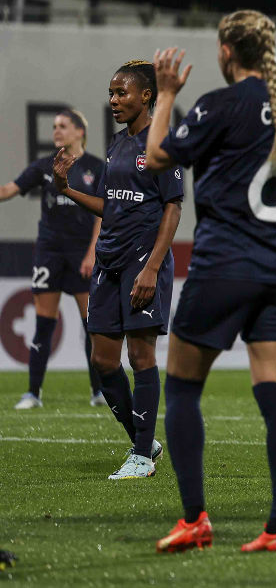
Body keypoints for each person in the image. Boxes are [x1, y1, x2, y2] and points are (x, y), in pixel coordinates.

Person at [144, 10, 276, 553]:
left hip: (223, 267)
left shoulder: (218, 105)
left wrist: (168, 94)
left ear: (226, 52)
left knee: (182, 389)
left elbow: (154, 157)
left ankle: (195, 519)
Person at [54, 61, 184, 479]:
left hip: (142, 260)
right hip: (109, 260)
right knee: (104, 359)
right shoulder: (116, 144)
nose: (113, 100)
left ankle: (142, 456)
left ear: (146, 96)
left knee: (139, 354)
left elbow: (173, 206)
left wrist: (153, 268)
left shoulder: (161, 143)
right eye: (111, 93)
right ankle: (143, 441)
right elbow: (110, 207)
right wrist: (67, 190)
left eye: (122, 93)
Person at [1, 110, 105, 409]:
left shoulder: (96, 168)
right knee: (44, 324)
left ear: (79, 132)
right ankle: (33, 393)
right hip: (49, 252)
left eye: (63, 126)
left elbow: (102, 211)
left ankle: (98, 391)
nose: (56, 131)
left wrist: (92, 252)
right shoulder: (45, 166)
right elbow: (9, 189)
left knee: (92, 325)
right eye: (54, 126)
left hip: (81, 253)